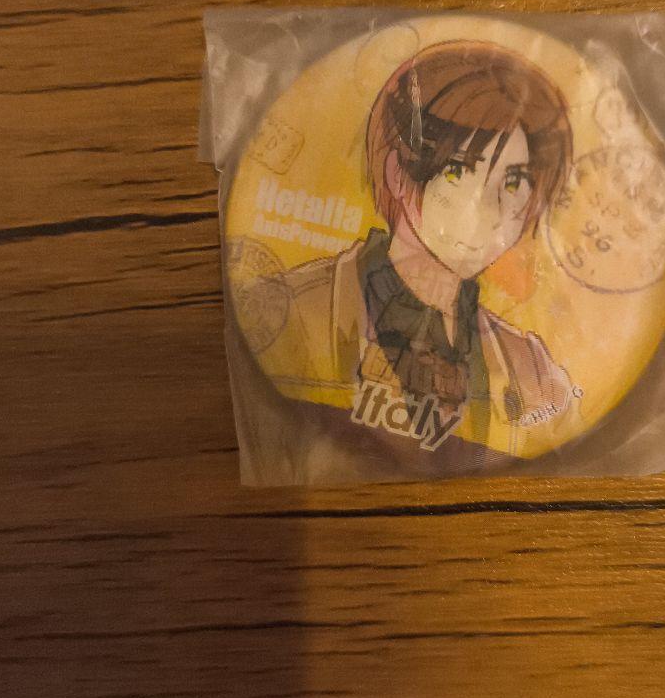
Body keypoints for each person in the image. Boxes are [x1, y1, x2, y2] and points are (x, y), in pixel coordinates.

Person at [249, 39, 580, 473]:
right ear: (397, 173)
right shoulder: (291, 310)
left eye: (514, 181)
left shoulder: (529, 366)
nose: (489, 211)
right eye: (457, 171)